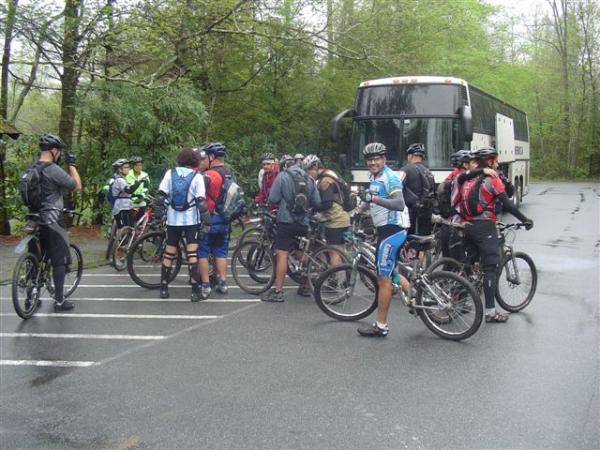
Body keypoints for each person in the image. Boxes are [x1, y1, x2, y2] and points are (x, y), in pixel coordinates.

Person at [454, 147, 533, 323]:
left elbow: (459, 178)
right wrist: (525, 220)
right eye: (495, 160)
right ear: (490, 161)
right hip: (485, 226)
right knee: (490, 268)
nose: (497, 163)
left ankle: (457, 299)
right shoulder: (493, 179)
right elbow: (509, 205)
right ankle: (491, 312)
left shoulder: (468, 178)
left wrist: (480, 170)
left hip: (467, 225)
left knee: (468, 263)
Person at [354, 143, 410, 337]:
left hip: (392, 231)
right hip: (386, 231)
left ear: (384, 159)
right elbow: (371, 198)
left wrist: (374, 200)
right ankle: (415, 297)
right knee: (392, 272)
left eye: (377, 158)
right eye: (370, 160)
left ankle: (381, 326)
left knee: (383, 279)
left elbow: (399, 203)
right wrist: (357, 211)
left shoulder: (390, 177)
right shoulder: (375, 177)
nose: (373, 162)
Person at [260, 154, 321, 302]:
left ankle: (278, 292)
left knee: (282, 254)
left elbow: (273, 199)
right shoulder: (309, 179)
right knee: (302, 254)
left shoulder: (282, 176)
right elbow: (317, 202)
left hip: (285, 222)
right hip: (303, 223)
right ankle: (305, 286)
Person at [34, 134, 82, 312]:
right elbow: (76, 185)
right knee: (59, 261)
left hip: (33, 219)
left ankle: (32, 296)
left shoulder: (33, 168)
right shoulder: (53, 169)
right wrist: (71, 165)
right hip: (53, 220)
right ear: (54, 151)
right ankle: (60, 301)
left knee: (35, 258)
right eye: (59, 151)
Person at [155, 148, 210, 302]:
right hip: (191, 220)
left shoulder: (169, 174)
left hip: (173, 220)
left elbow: (160, 197)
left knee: (169, 253)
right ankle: (194, 290)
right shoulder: (197, 177)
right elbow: (201, 202)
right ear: (194, 161)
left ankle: (164, 287)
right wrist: (207, 222)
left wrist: (158, 217)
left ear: (179, 160)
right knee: (192, 254)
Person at [197, 142, 234, 299]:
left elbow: (200, 195)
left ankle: (205, 285)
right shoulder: (230, 173)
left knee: (203, 252)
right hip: (224, 219)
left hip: (209, 218)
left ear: (211, 157)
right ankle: (223, 282)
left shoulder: (210, 175)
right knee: (220, 252)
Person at [303, 154, 350, 267]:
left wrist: (313, 208)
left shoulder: (325, 181)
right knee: (341, 251)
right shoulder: (331, 174)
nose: (308, 175)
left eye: (308, 171)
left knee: (334, 252)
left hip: (335, 220)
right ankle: (344, 276)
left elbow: (327, 203)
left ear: (315, 168)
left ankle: (339, 282)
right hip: (342, 218)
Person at [398, 143, 435, 237]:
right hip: (426, 213)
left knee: (408, 241)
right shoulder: (428, 172)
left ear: (410, 156)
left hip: (409, 215)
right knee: (422, 241)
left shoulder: (405, 170)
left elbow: (395, 187)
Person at [110, 159, 142, 229]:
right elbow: (128, 190)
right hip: (122, 208)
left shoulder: (122, 179)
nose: (128, 169)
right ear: (120, 170)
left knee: (128, 227)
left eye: (128, 167)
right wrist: (138, 183)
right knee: (126, 228)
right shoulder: (120, 180)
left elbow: (125, 193)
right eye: (126, 167)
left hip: (124, 206)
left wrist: (136, 195)